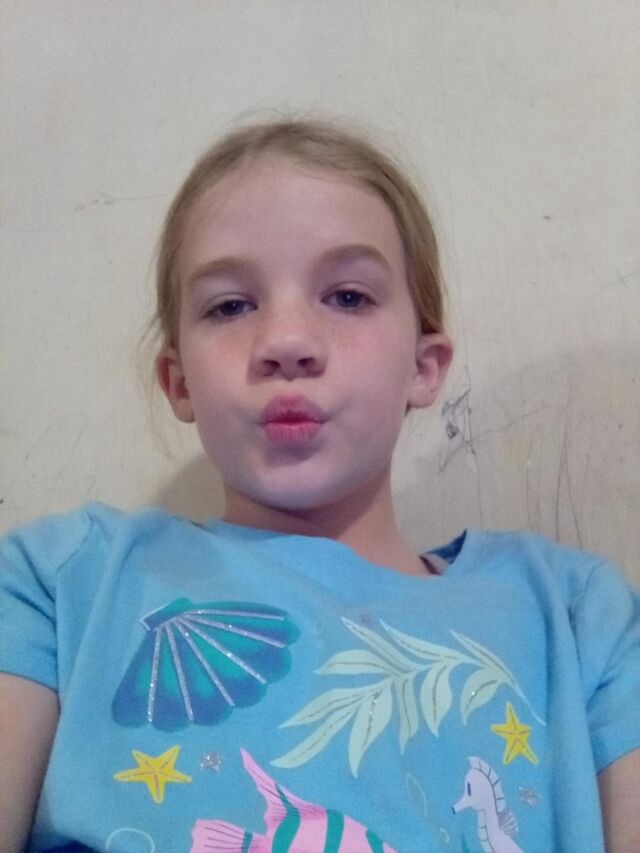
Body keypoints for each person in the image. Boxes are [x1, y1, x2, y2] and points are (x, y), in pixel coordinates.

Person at [0, 118, 638, 853]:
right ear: (179, 381)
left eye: (348, 296)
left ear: (423, 366)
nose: (286, 343)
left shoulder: (577, 617)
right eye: (230, 306)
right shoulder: (63, 581)